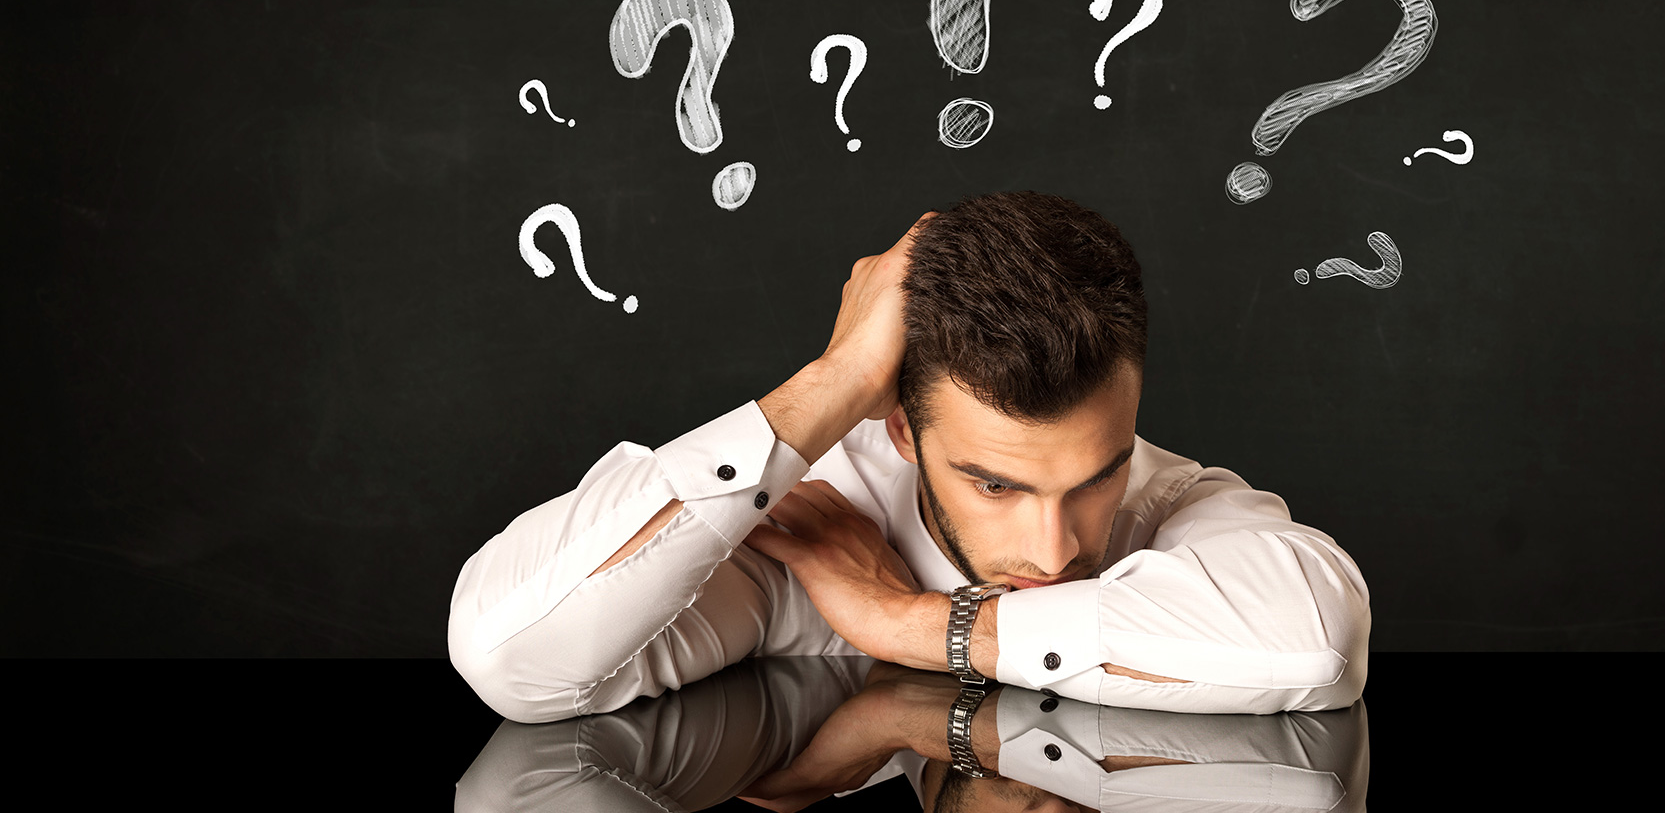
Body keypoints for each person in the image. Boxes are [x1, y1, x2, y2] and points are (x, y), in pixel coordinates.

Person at [449, 192, 1369, 727]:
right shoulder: (811, 524)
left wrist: (907, 625)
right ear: (897, 427)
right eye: (994, 483)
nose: (1054, 552)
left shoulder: (1167, 501)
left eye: (1095, 477)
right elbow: (509, 658)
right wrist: (835, 378)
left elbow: (1320, 647)